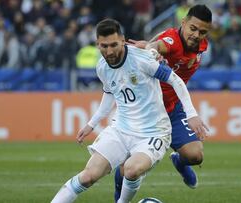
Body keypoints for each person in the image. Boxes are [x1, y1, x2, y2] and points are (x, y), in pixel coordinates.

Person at [51, 18, 208, 203]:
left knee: (132, 170)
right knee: (88, 176)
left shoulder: (143, 59)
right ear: (97, 44)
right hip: (121, 130)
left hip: (153, 132)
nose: (109, 51)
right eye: (104, 46)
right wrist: (91, 124)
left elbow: (175, 80)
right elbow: (110, 94)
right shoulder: (102, 66)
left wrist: (191, 114)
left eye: (114, 45)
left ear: (123, 40)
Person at [113, 4, 212, 201]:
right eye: (193, 28)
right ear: (183, 23)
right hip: (147, 111)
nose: (196, 35)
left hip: (173, 109)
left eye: (202, 31)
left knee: (195, 155)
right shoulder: (171, 40)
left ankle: (179, 161)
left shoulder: (202, 45)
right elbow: (159, 45)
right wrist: (151, 49)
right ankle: (119, 194)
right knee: (127, 168)